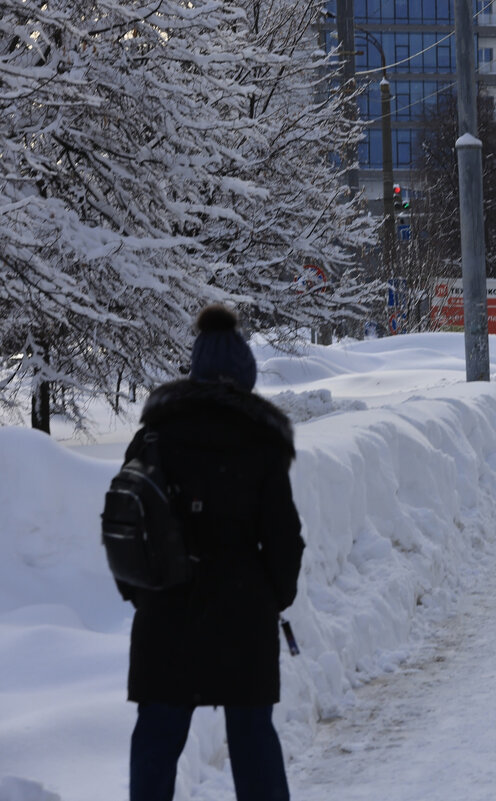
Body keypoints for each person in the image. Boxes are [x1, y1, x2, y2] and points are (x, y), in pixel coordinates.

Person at [117, 304, 304, 801]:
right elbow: (284, 536)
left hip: (166, 610)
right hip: (242, 614)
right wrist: (273, 596)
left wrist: (142, 593)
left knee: (157, 738)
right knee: (252, 736)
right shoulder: (261, 440)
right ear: (245, 374)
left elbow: (124, 518)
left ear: (195, 370)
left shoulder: (153, 435)